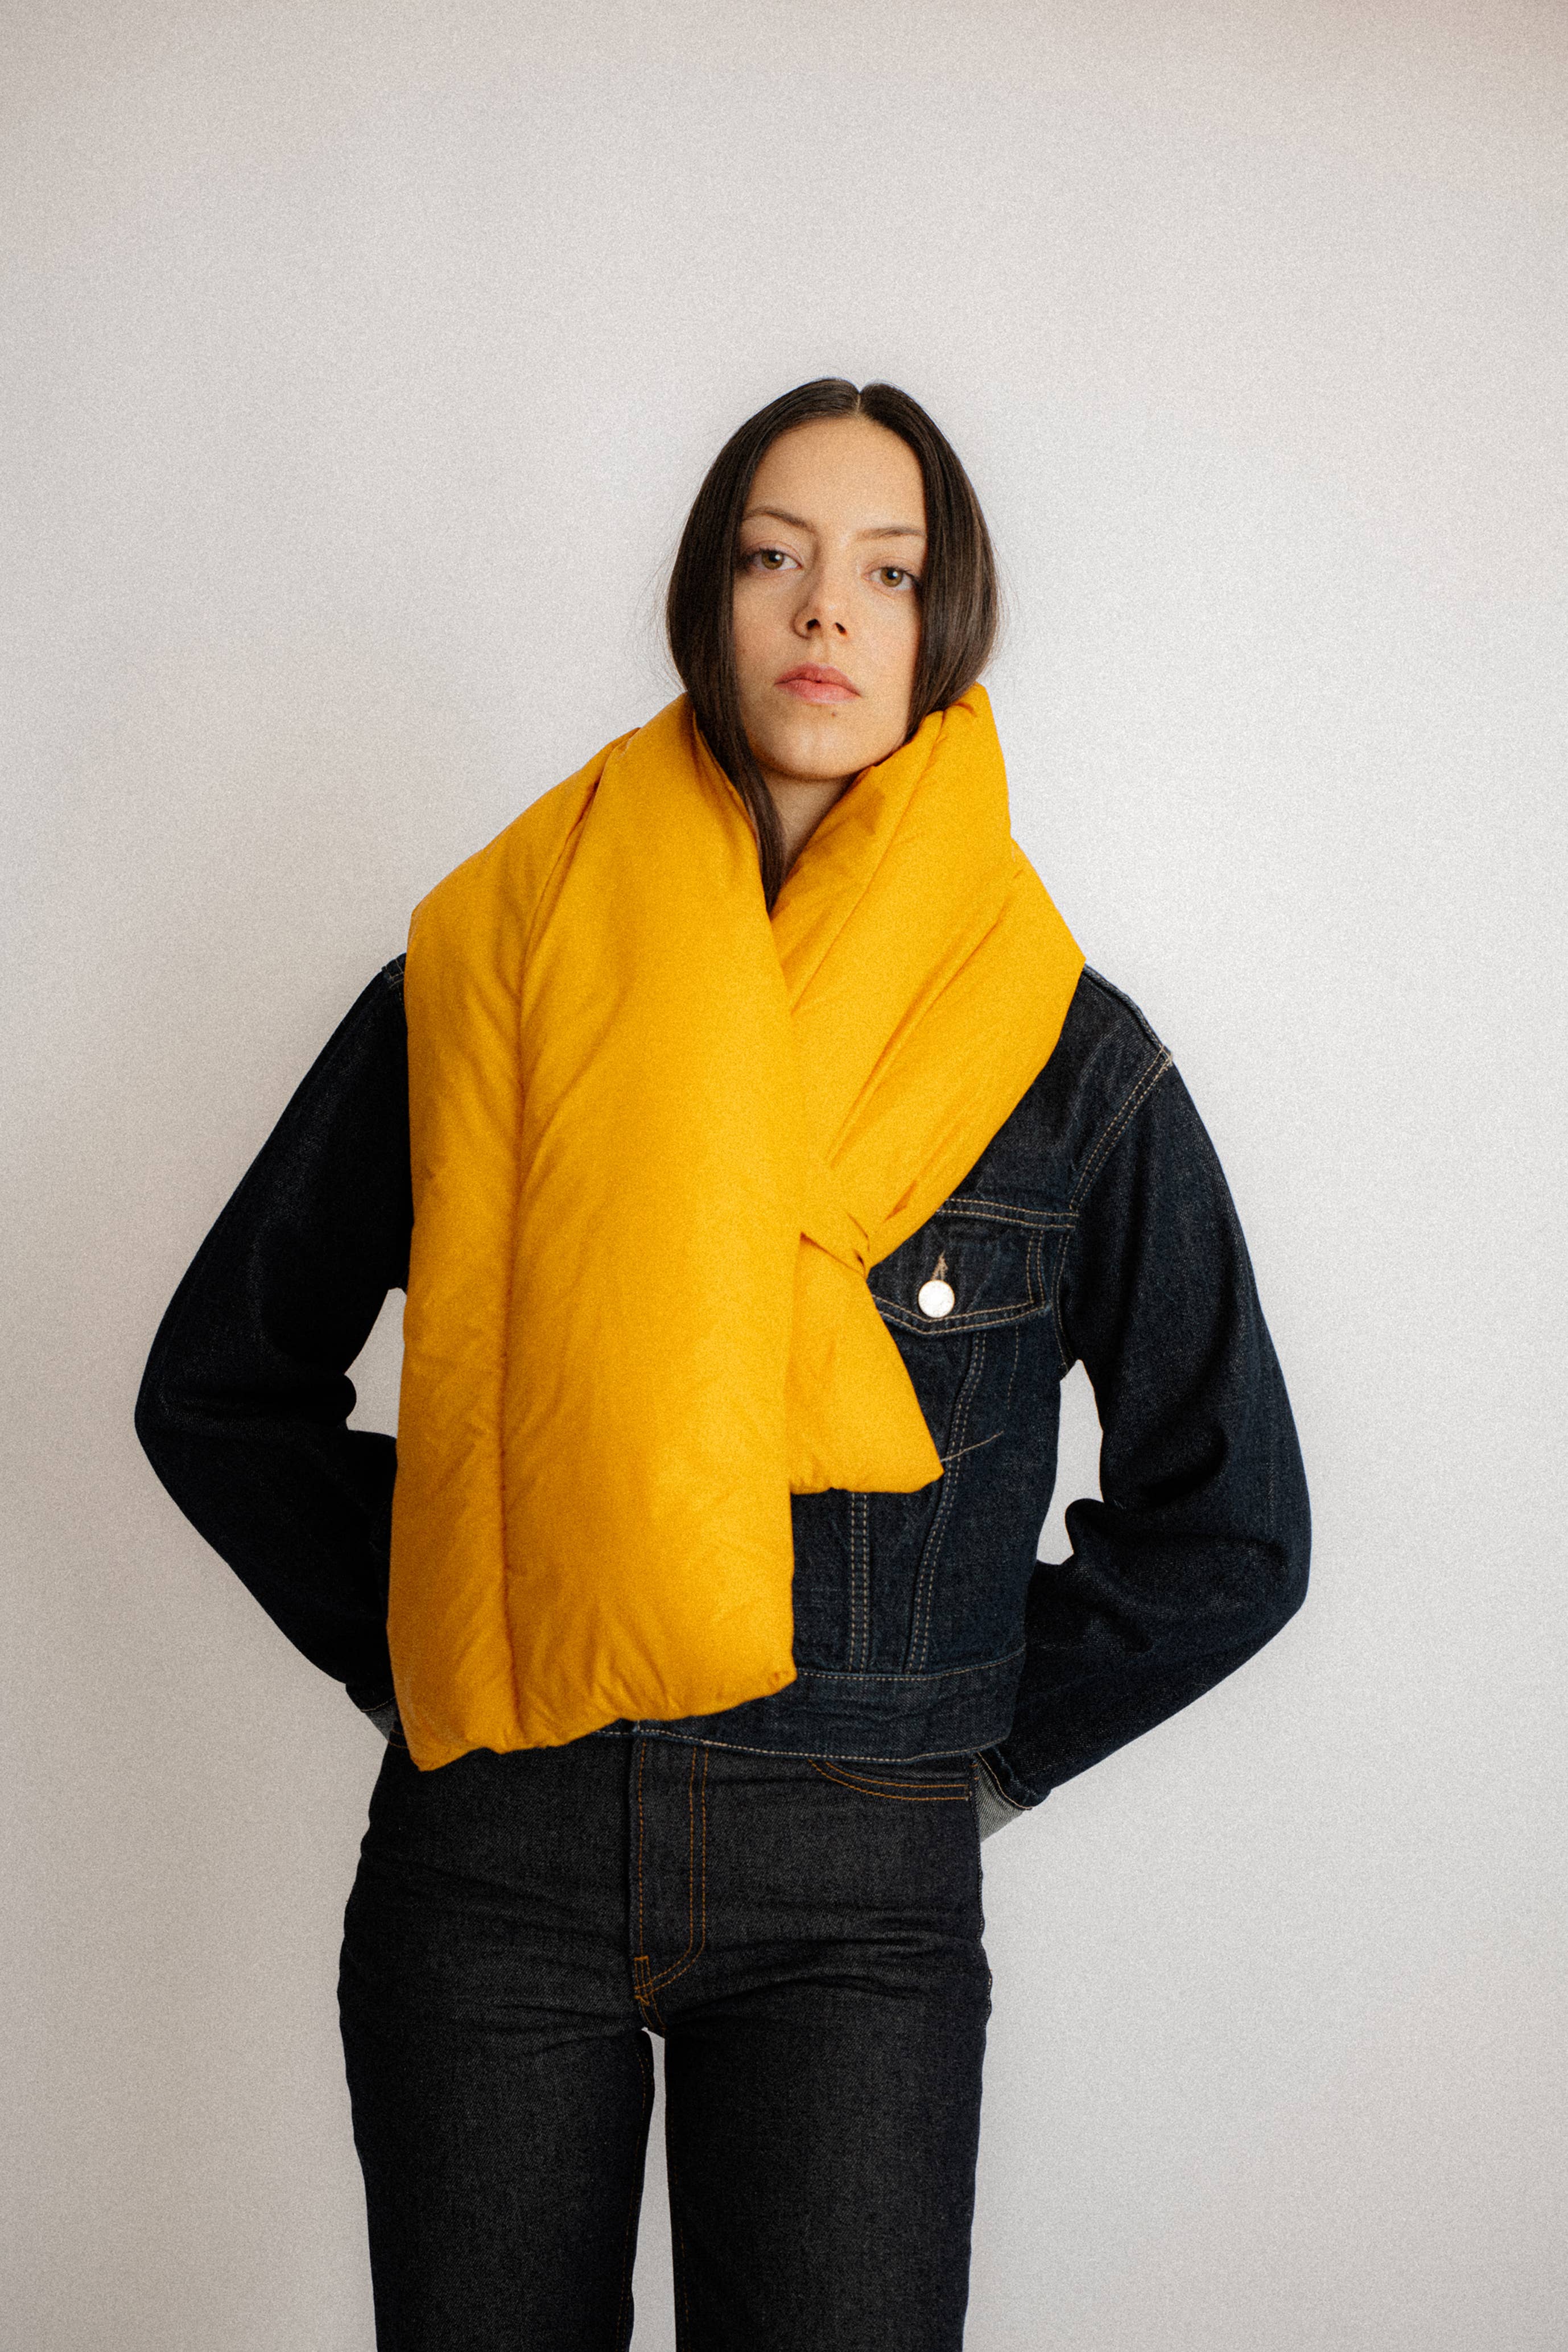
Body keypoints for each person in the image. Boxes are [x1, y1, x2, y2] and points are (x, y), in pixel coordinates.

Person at [135, 377, 1310, 2352]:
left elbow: (1233, 1525)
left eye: (887, 571)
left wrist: (971, 1758)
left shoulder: (1061, 1056)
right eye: (775, 556)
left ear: (946, 626)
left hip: (859, 1904)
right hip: (493, 1870)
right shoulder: (489, 973)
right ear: (708, 595)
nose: (825, 609)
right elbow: (217, 1389)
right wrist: (440, 1649)